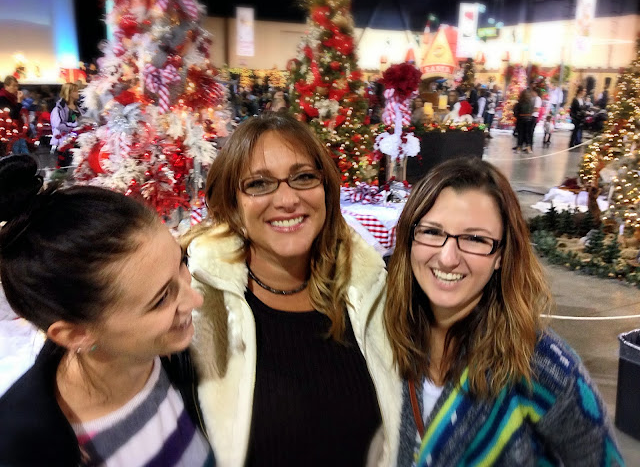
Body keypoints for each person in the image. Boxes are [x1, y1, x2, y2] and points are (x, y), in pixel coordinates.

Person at [185, 112, 401, 466]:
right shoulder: (196, 302)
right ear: (232, 202)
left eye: (303, 177)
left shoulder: (370, 290)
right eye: (259, 184)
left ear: (325, 189)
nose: (287, 199)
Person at [384, 158, 624, 466]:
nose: (447, 258)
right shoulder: (383, 337)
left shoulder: (542, 367)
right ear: (410, 238)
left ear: (501, 254)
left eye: (475, 238)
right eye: (432, 231)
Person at [0, 155, 214, 466]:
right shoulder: (29, 450)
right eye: (161, 299)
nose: (195, 300)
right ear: (76, 334)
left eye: (182, 263)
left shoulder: (172, 358)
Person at [50, 82, 83, 153]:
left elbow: (76, 119)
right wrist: (76, 126)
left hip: (77, 142)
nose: (78, 93)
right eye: (75, 91)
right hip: (63, 143)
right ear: (69, 92)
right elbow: (58, 125)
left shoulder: (78, 108)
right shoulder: (58, 109)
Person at [513, 89, 533, 153]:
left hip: (521, 119)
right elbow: (532, 111)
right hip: (529, 119)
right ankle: (528, 148)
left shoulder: (519, 103)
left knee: (520, 134)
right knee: (527, 134)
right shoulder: (530, 103)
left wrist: (517, 116)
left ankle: (519, 147)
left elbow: (516, 112)